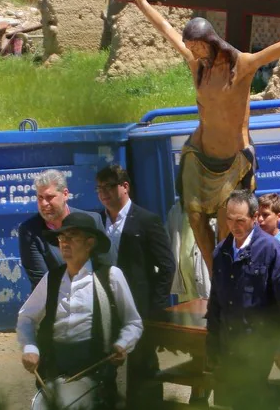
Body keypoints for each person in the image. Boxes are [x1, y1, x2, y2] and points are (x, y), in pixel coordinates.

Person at [131, 0, 280, 274]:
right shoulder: (198, 67)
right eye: (192, 49)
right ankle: (216, 278)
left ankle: (227, 276)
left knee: (226, 227)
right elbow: (167, 30)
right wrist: (143, 4)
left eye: (198, 48)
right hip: (199, 153)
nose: (196, 54)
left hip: (232, 160)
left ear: (211, 41)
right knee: (194, 216)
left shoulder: (242, 65)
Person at [16, 212, 143, 409]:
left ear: (90, 243)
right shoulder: (52, 279)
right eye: (61, 238)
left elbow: (133, 322)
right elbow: (26, 318)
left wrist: (122, 344)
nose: (64, 243)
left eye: (72, 237)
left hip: (97, 373)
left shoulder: (110, 277)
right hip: (54, 371)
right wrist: (30, 348)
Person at [206, 190, 280, 408]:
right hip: (229, 345)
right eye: (229, 219)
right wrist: (212, 345)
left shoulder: (271, 250)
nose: (234, 226)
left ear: (254, 218)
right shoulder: (221, 252)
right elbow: (215, 303)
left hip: (259, 347)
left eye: (240, 220)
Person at [95, 165, 176, 409]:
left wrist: (156, 306)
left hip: (140, 307)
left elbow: (167, 265)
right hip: (106, 306)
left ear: (125, 186)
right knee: (108, 362)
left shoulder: (146, 220)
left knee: (143, 365)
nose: (104, 193)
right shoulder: (97, 221)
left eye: (109, 186)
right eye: (99, 188)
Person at [18, 169, 104, 290]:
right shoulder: (30, 231)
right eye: (40, 197)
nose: (44, 203)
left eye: (49, 197)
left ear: (65, 194)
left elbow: (104, 268)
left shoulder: (92, 221)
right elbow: (41, 281)